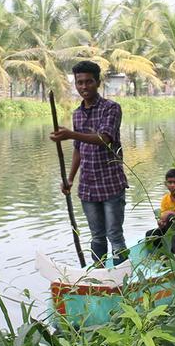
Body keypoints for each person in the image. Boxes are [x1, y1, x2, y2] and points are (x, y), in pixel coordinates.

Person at [50, 61, 128, 265]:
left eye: (88, 82)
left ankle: (124, 280)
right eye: (79, 83)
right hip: (88, 187)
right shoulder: (77, 114)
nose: (84, 87)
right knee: (97, 237)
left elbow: (105, 139)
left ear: (98, 82)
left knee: (115, 236)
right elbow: (79, 149)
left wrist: (70, 133)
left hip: (111, 184)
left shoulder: (111, 108)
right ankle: (99, 277)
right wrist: (69, 179)